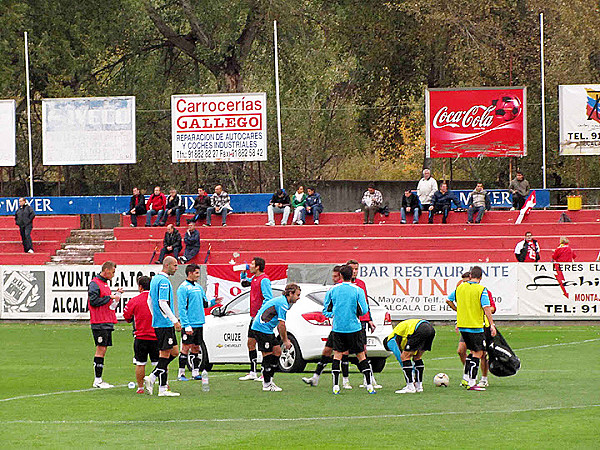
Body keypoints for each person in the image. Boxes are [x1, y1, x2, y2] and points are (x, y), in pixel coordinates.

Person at [323, 265, 375, 394]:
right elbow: (364, 309)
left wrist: (334, 315)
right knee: (361, 355)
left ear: (340, 276)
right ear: (352, 275)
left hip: (338, 328)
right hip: (354, 328)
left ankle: (336, 386)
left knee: (337, 355)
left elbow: (325, 309)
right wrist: (355, 313)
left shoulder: (332, 290)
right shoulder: (358, 290)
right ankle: (369, 385)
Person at [446, 265, 496, 391]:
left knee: (472, 352)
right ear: (480, 277)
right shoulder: (481, 289)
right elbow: (486, 308)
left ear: (470, 276)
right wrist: (491, 324)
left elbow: (448, 300)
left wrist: (458, 310)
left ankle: (466, 377)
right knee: (478, 353)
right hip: (475, 326)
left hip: (462, 325)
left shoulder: (460, 287)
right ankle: (472, 382)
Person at [302, 266, 347, 388]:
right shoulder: (334, 289)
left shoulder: (347, 289)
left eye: (336, 276)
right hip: (336, 328)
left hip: (349, 328)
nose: (334, 279)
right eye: (332, 276)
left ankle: (351, 381)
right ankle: (315, 377)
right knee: (327, 351)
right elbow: (328, 307)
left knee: (357, 354)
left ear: (341, 276)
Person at [251, 283, 301, 391]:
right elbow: (281, 325)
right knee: (268, 355)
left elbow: (279, 325)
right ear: (290, 293)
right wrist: (286, 341)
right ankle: (267, 384)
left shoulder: (283, 302)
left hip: (266, 329)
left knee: (277, 351)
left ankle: (269, 379)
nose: (298, 298)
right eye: (297, 295)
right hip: (261, 329)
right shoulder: (282, 303)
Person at [144, 256, 182, 396]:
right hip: (165, 324)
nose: (176, 268)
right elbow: (162, 302)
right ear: (167, 265)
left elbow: (149, 300)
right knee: (165, 355)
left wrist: (155, 315)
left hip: (160, 322)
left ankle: (158, 383)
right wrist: (173, 320)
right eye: (175, 265)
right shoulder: (164, 282)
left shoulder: (154, 279)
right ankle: (157, 383)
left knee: (174, 352)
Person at [176, 264, 221, 381]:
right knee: (185, 348)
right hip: (189, 324)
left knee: (196, 348)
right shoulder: (183, 288)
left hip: (199, 323)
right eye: (196, 273)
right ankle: (181, 374)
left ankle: (195, 372)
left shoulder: (198, 287)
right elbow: (182, 308)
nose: (198, 275)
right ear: (190, 273)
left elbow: (204, 304)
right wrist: (186, 325)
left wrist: (214, 302)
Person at [88, 261, 124, 388]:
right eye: (113, 272)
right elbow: (93, 301)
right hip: (99, 322)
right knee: (100, 349)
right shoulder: (94, 283)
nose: (113, 275)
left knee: (103, 349)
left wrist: (115, 297)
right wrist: (110, 297)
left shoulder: (104, 284)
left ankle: (99, 379)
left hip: (106, 321)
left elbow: (107, 303)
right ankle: (97, 380)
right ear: (107, 270)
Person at [347, 259, 380, 389]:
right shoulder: (340, 285)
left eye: (356, 269)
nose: (354, 272)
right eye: (352, 269)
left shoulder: (361, 284)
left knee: (363, 350)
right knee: (343, 352)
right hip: (347, 323)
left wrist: (369, 319)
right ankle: (344, 380)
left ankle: (368, 379)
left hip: (360, 322)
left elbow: (365, 303)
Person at [239, 257, 273, 381]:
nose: (250, 266)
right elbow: (244, 283)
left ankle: (265, 373)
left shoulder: (264, 280)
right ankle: (253, 371)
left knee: (264, 347)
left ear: (258, 267)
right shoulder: (254, 278)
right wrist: (243, 272)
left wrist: (261, 314)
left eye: (252, 264)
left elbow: (268, 298)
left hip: (260, 318)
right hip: (254, 317)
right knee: (250, 343)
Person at [123, 276, 158, 394]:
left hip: (141, 336)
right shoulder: (157, 299)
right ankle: (164, 383)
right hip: (156, 335)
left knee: (140, 363)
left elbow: (127, 317)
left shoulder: (134, 300)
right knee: (160, 362)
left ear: (140, 287)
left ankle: (140, 388)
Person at [383, 319, 436, 394]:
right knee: (417, 357)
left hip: (419, 329)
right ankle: (418, 386)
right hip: (430, 328)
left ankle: (410, 386)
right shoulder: (401, 334)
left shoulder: (390, 340)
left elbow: (401, 357)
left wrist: (412, 372)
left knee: (404, 357)